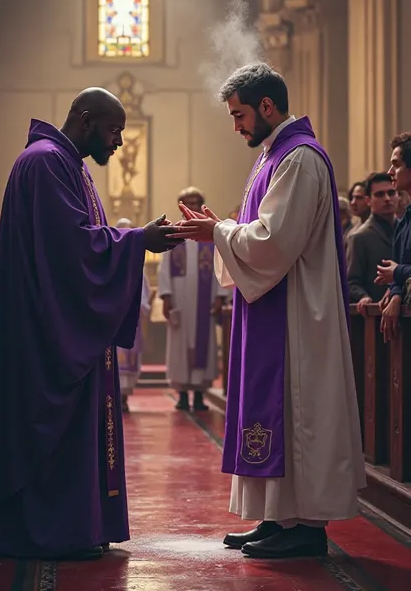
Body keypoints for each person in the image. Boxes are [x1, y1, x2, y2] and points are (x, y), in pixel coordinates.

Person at [0, 88, 183, 561]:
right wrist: (138, 240)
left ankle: (74, 527)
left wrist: (132, 241)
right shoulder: (46, 163)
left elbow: (83, 244)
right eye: (113, 131)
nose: (118, 143)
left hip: (58, 327)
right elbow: (71, 250)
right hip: (43, 335)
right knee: (53, 434)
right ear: (86, 120)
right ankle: (48, 531)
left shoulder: (68, 165)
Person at [176, 63, 365, 559]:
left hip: (298, 316)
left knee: (296, 412)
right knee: (275, 411)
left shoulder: (298, 158)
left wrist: (216, 232)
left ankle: (306, 527)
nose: (235, 126)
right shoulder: (272, 156)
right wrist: (222, 226)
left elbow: (275, 240)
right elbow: (262, 230)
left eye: (239, 115)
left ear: (266, 106)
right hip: (274, 311)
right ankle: (278, 518)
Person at [158, 187, 228, 411]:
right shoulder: (173, 233)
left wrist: (219, 296)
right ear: (181, 206)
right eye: (188, 203)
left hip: (204, 304)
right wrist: (166, 297)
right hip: (180, 302)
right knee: (179, 347)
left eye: (196, 203)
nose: (192, 207)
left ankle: (199, 394)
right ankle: (182, 395)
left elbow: (219, 266)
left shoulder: (210, 235)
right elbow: (164, 268)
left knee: (203, 345)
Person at [375, 133, 411, 343]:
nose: (390, 172)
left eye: (396, 165)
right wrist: (396, 294)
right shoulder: (404, 221)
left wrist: (396, 272)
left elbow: (398, 268)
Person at [347, 172, 398, 315]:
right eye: (379, 195)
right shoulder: (359, 237)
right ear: (368, 200)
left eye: (391, 193)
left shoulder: (406, 230)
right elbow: (351, 281)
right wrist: (363, 296)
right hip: (375, 318)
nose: (387, 199)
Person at [115, 217, 152, 413]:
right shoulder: (109, 263)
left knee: (129, 361)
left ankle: (124, 396)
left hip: (131, 319)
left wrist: (142, 307)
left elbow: (144, 293)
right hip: (114, 320)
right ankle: (115, 395)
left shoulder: (138, 265)